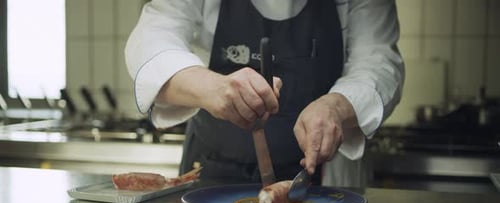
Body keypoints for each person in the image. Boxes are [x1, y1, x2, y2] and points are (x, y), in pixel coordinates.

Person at [125, 0, 404, 186]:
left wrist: (336, 107)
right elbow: (152, 40)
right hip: (209, 171)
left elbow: (378, 60)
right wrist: (210, 86)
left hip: (316, 181)